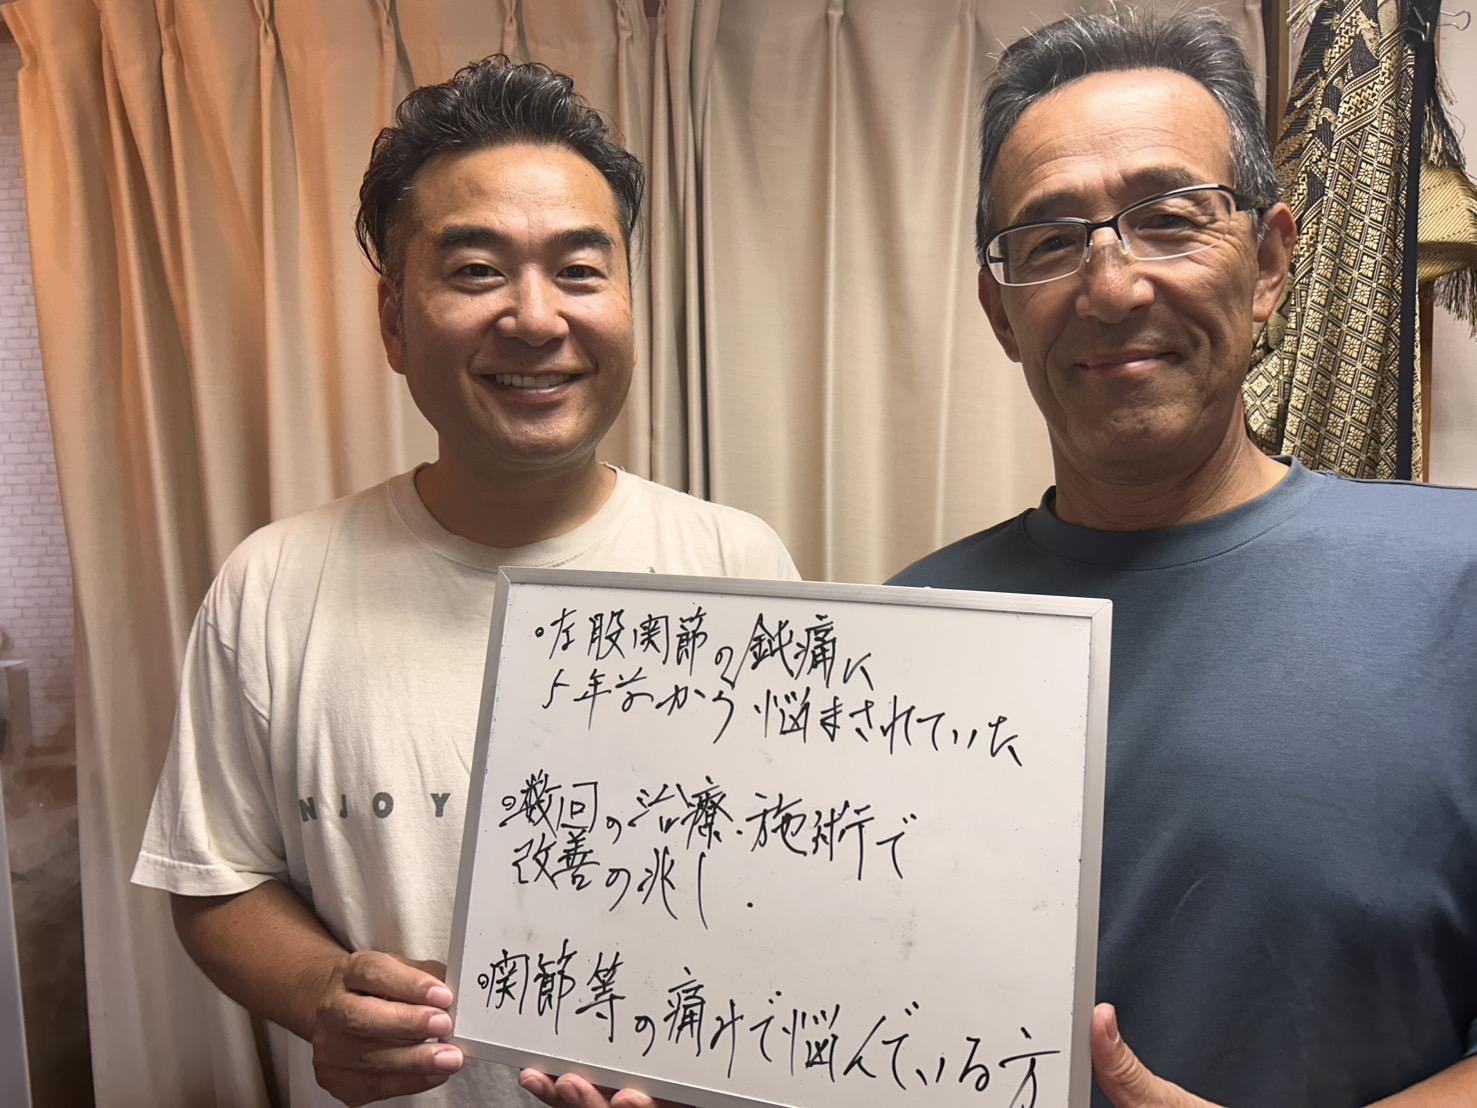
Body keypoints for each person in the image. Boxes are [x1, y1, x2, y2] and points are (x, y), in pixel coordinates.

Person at [132, 56, 796, 1108]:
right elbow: (214, 876)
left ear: (627, 301)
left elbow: (794, 878)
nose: (535, 318)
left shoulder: (737, 565)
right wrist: (320, 991)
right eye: (477, 270)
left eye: (579, 270)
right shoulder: (272, 584)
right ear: (395, 321)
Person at [890, 9, 1477, 1108]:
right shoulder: (911, 626)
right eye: (1048, 240)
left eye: (1168, 219)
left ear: (1268, 262)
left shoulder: (1460, 587)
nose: (1112, 288)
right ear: (1000, 313)